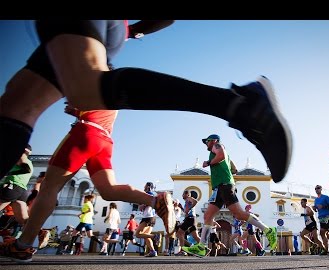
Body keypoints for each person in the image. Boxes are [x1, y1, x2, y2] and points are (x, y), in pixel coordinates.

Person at [0, 20, 292, 187]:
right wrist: (131, 30)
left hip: (109, 29)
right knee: (19, 104)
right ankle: (239, 107)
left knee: (81, 89)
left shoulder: (217, 152)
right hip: (116, 29)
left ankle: (240, 107)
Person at [0, 105, 175, 262]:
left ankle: (22, 246)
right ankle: (155, 201)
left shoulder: (91, 78)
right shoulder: (113, 89)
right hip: (104, 139)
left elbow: (89, 108)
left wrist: (76, 110)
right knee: (108, 190)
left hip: (85, 132)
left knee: (49, 186)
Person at [182, 134, 278, 257]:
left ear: (214, 141)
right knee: (208, 215)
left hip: (224, 186)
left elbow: (221, 156)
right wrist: (222, 171)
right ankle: (202, 247)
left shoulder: (217, 146)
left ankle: (269, 230)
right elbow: (234, 169)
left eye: (207, 141)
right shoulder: (226, 155)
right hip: (220, 187)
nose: (206, 143)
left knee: (239, 214)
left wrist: (209, 162)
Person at [0, 145, 33, 228]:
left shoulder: (22, 156)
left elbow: (26, 169)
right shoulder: (30, 162)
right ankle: (40, 231)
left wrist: (7, 174)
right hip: (21, 191)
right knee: (23, 219)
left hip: (12, 187)